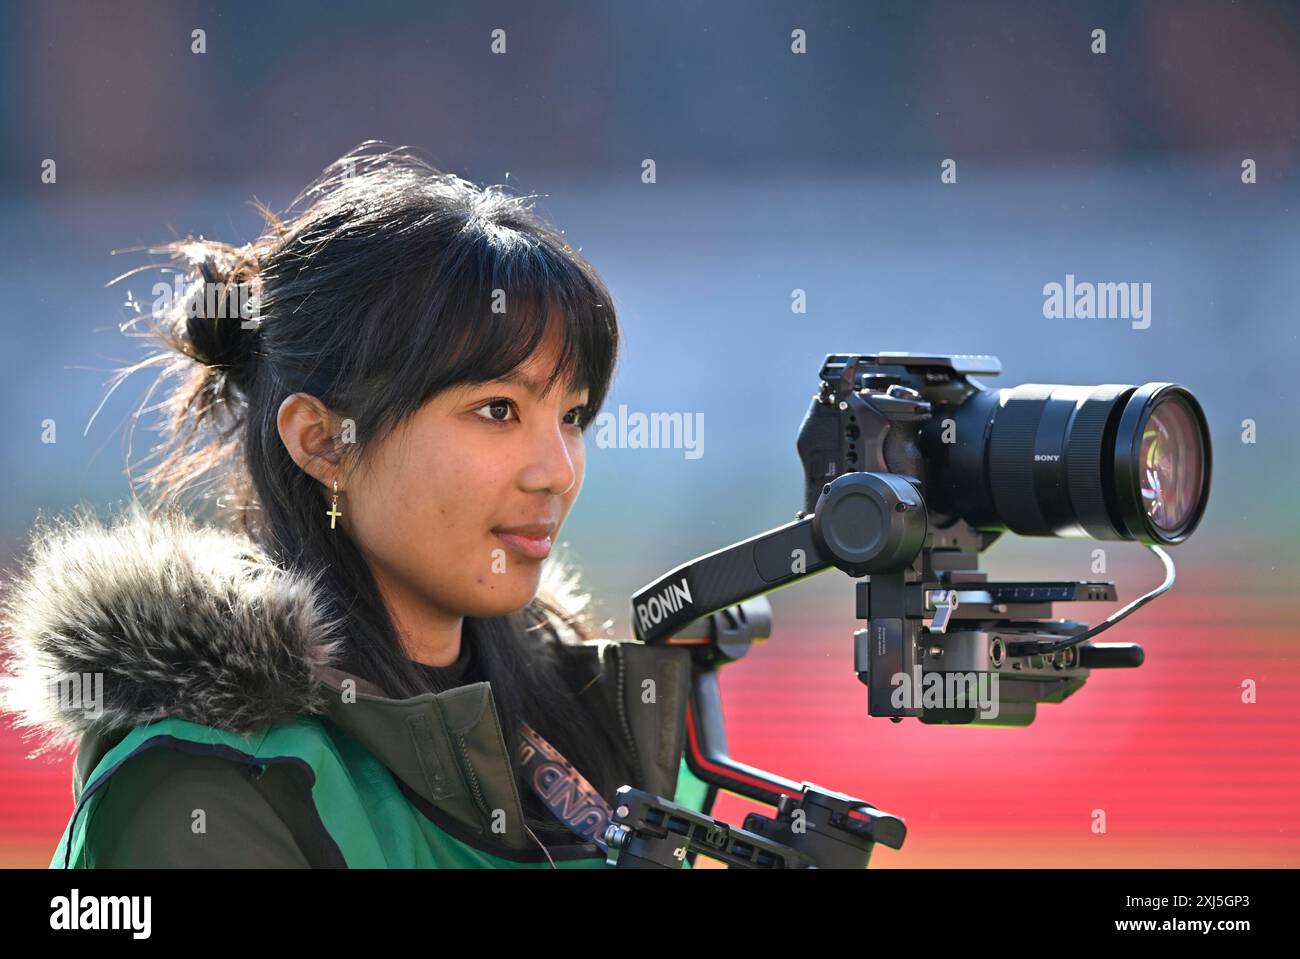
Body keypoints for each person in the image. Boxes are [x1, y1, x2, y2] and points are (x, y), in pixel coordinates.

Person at [0, 141, 713, 868]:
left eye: (572, 414)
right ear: (324, 443)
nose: (558, 471)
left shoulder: (578, 729)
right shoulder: (202, 786)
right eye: (498, 409)